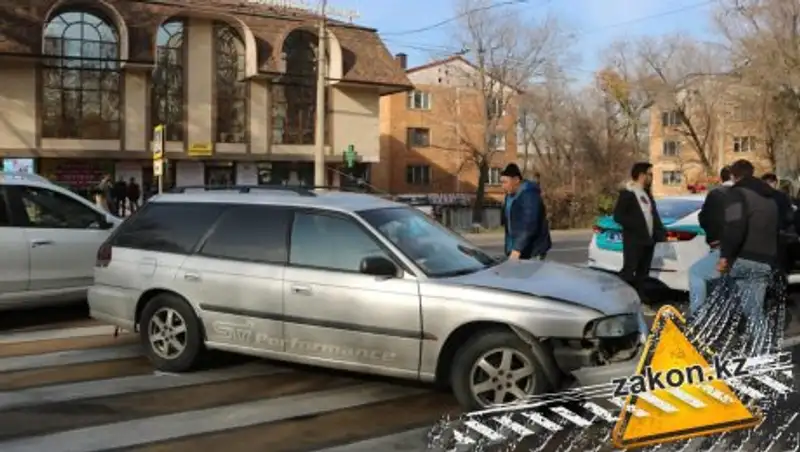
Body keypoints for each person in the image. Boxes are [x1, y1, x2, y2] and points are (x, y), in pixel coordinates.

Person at [718, 159, 780, 331]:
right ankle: (757, 345)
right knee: (755, 308)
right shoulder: (769, 197)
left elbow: (734, 226)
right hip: (766, 259)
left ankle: (761, 348)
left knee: (750, 311)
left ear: (733, 175)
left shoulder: (737, 194)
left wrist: (725, 256)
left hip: (744, 257)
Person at [613, 162, 666, 300]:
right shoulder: (628, 193)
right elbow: (618, 216)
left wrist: (660, 234)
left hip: (648, 240)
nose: (652, 177)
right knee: (629, 272)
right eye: (650, 174)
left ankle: (641, 301)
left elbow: (653, 216)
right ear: (641, 175)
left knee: (643, 274)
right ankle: (618, 297)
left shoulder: (647, 195)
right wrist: (636, 225)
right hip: (633, 240)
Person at [688, 166, 733, 315]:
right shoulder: (746, 195)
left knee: (696, 273)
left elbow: (704, 217)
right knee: (728, 283)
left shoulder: (716, 194)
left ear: (722, 178)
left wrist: (713, 235)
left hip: (721, 247)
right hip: (747, 249)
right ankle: (729, 316)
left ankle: (697, 316)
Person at [499, 163, 551, 260]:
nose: (503, 186)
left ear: (516, 180)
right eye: (501, 182)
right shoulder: (509, 196)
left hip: (532, 250)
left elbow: (529, 225)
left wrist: (517, 249)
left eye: (505, 182)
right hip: (516, 249)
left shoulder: (529, 195)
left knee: (530, 274)